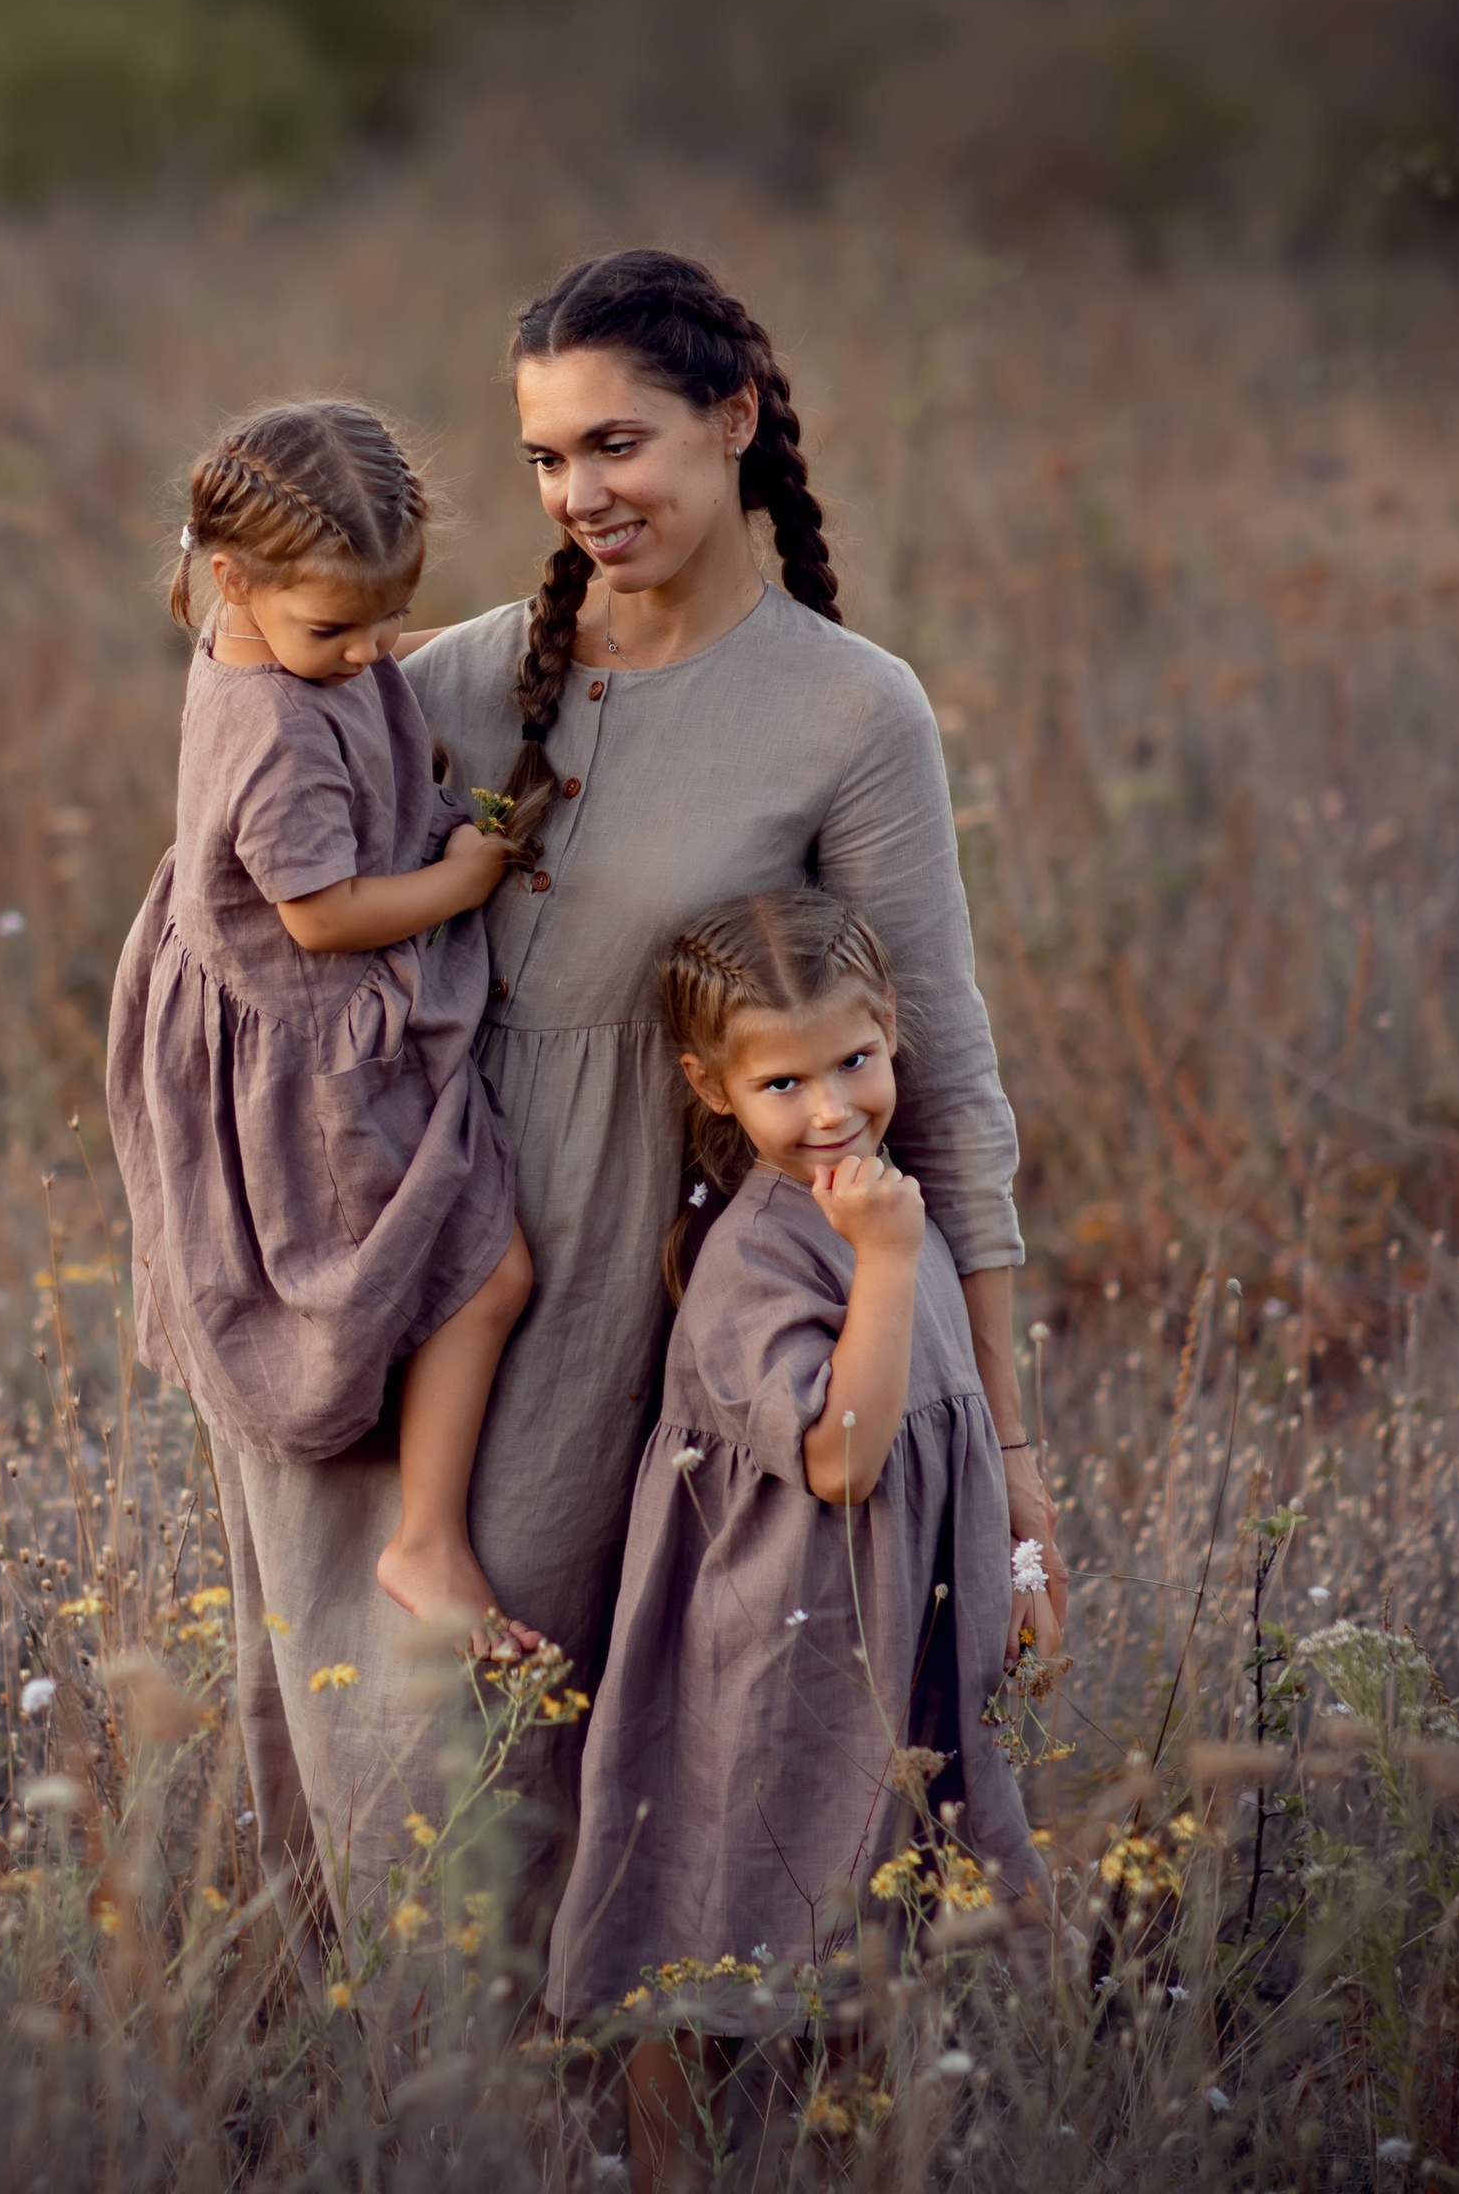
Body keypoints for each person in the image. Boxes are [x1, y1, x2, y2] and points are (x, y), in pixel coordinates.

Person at [203, 248, 1066, 1975]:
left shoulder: (847, 710)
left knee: (527, 1741)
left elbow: (946, 1082)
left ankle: (575, 2116)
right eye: (543, 459)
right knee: (355, 1743)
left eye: (619, 444)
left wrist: (1018, 1453)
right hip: (384, 1257)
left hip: (618, 1284)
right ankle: (395, 2122)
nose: (580, 494)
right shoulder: (431, 680)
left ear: (734, 418)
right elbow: (237, 885)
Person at [546, 888, 1046, 2179]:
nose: (831, 1107)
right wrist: (879, 1261)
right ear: (712, 1087)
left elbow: (956, 1430)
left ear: (892, 1039)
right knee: (706, 1916)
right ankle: (666, 2169)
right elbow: (841, 1458)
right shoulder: (769, 1256)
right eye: (784, 1080)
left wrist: (1025, 1566)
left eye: (856, 1061)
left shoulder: (890, 1201)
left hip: (898, 1637)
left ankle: (851, 2161)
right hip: (780, 1649)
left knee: (877, 1924)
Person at [106, 400, 537, 1657]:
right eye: (337, 627)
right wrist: (466, 879)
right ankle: (425, 1537)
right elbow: (321, 915)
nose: (372, 652)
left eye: (391, 618)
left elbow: (368, 666)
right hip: (299, 1043)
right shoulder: (277, 733)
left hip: (271, 994)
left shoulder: (254, 636)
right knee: (486, 1271)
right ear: (232, 577)